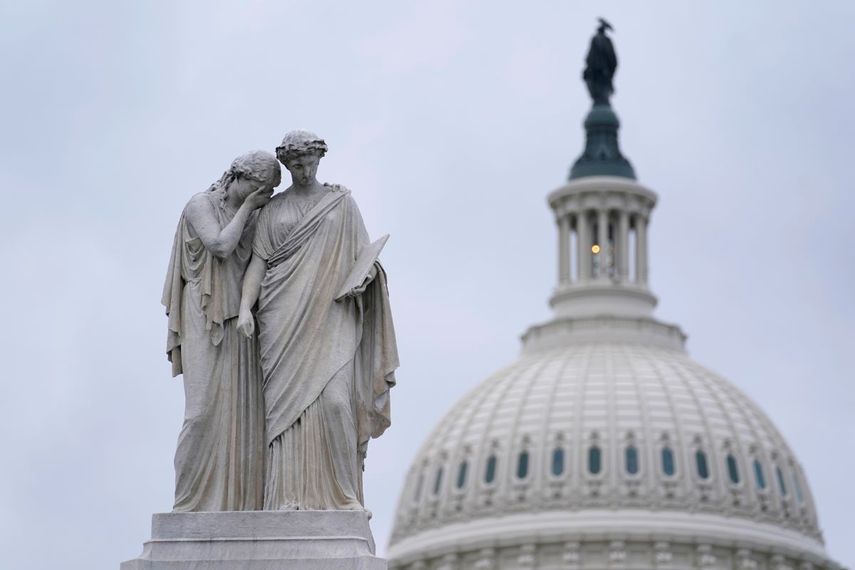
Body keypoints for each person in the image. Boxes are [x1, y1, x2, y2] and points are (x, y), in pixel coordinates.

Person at [238, 130, 398, 511]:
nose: (304, 169)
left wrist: (366, 277)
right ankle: (286, 497)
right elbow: (258, 264)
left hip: (332, 314)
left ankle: (343, 496)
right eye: (296, 164)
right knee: (284, 414)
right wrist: (245, 308)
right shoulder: (272, 210)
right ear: (287, 166)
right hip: (281, 318)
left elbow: (365, 257)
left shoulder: (341, 204)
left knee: (335, 404)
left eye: (309, 162)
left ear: (320, 160)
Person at [162, 150, 281, 512]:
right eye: (259, 188)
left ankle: (239, 505)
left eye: (270, 192)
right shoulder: (201, 204)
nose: (264, 197)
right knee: (200, 413)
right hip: (203, 313)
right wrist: (248, 208)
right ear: (237, 177)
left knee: (242, 416)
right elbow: (220, 246)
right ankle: (188, 504)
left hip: (241, 321)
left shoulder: (260, 214)